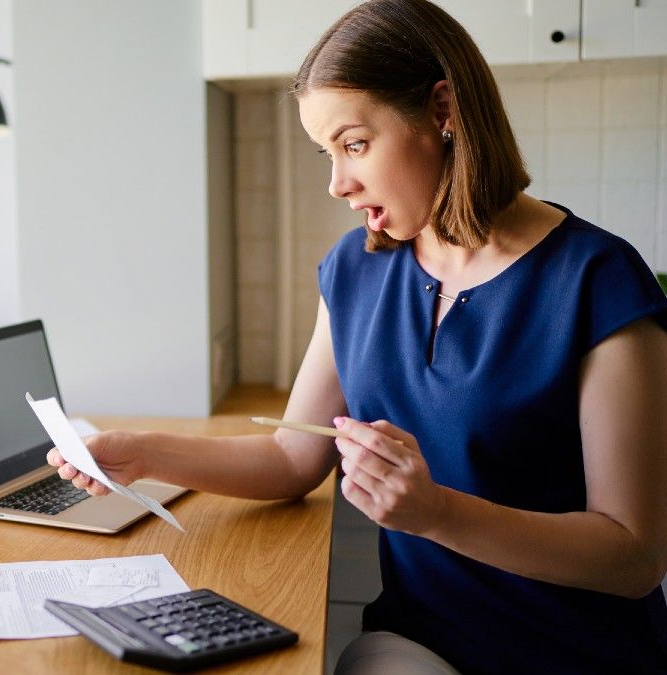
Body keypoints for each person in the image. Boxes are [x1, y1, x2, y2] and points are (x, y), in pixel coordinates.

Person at [46, 1, 667, 672]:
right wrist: (142, 453)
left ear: (442, 110)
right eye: (327, 152)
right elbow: (292, 457)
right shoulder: (355, 269)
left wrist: (435, 513)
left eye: (355, 144)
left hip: (575, 656)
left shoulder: (598, 280)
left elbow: (633, 555)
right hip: (420, 642)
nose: (338, 183)